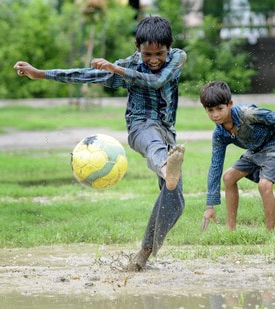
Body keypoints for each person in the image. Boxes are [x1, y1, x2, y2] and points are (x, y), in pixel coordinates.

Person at [13, 16, 187, 271]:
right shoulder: (127, 65)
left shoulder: (177, 58)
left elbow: (158, 81)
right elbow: (87, 75)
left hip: (168, 132)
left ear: (169, 48)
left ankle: (143, 253)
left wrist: (117, 70)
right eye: (147, 54)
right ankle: (164, 167)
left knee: (175, 201)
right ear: (137, 48)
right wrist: (41, 74)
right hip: (141, 127)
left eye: (159, 53)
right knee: (154, 147)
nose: (153, 60)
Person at [198, 81, 275, 232]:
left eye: (219, 109)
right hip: (255, 149)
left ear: (230, 104)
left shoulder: (247, 114)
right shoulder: (219, 134)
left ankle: (269, 233)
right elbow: (215, 166)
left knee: (264, 185)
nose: (215, 114)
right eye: (210, 110)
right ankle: (230, 229)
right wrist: (209, 205)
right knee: (228, 177)